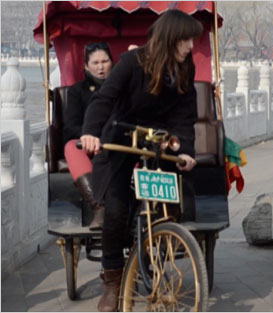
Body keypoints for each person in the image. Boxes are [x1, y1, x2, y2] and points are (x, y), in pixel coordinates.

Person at [80, 10, 202, 312]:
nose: (190, 45)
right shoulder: (131, 63)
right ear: (171, 37)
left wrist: (185, 150)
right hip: (121, 136)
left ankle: (156, 257)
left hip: (158, 142)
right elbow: (104, 99)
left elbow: (185, 115)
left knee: (167, 206)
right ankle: (112, 282)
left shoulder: (185, 67)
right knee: (117, 209)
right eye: (186, 39)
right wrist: (91, 133)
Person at [63, 42, 113, 230]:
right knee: (70, 147)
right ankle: (99, 206)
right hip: (87, 143)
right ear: (86, 66)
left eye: (105, 61)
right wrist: (89, 137)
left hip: (115, 142)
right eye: (95, 62)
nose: (100, 67)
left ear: (112, 62)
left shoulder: (122, 87)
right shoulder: (77, 91)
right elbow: (70, 126)